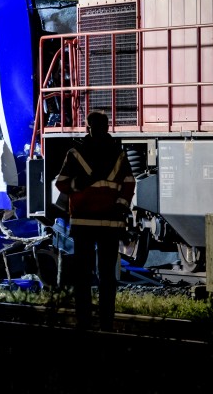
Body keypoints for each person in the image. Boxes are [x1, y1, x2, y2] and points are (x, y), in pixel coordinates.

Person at [53, 110, 135, 331]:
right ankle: (106, 322)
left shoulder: (75, 153)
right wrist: (121, 206)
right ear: (107, 127)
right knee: (107, 276)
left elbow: (61, 184)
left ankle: (84, 321)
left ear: (88, 128)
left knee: (83, 276)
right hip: (110, 223)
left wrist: (77, 185)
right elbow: (129, 183)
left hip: (84, 223)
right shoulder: (119, 154)